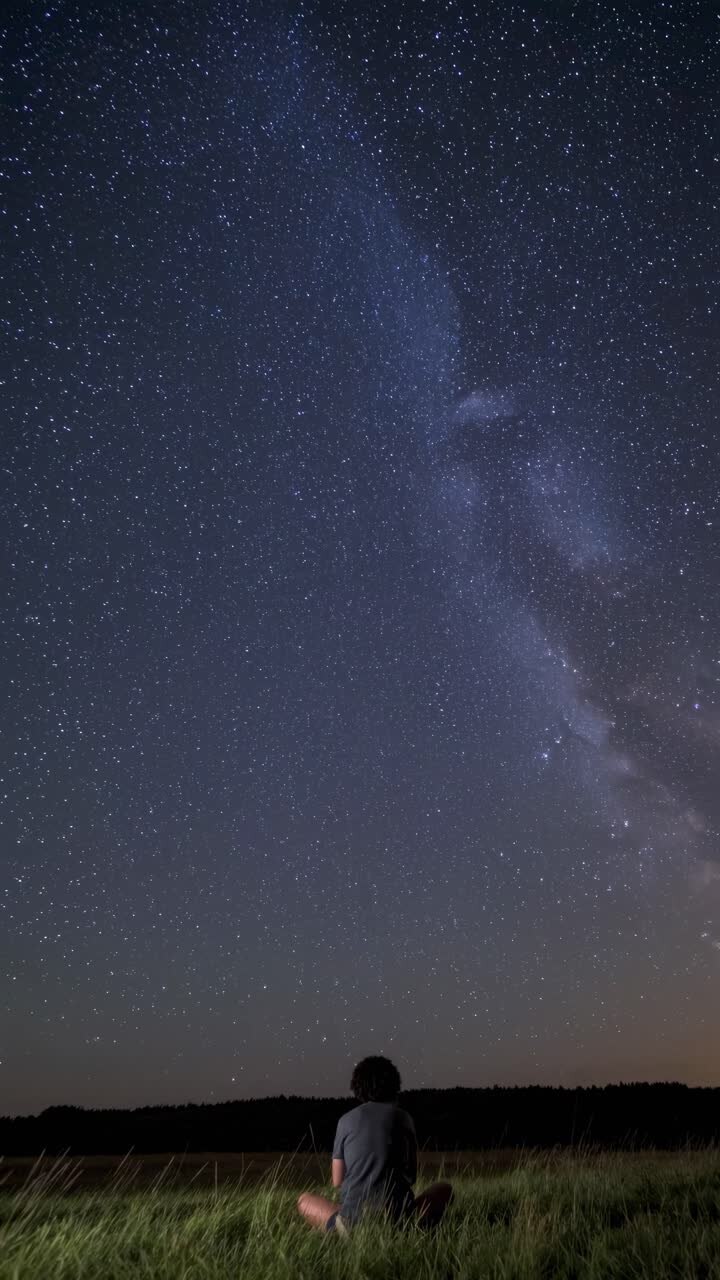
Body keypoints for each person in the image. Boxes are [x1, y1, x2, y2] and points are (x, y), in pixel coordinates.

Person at [297, 1055, 453, 1233]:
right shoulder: (404, 1118)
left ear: (357, 1087)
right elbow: (411, 1177)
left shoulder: (345, 1121)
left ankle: (340, 1229)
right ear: (395, 1085)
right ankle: (413, 1226)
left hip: (353, 1222)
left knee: (304, 1201)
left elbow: (337, 1180)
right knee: (444, 1189)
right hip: (399, 1219)